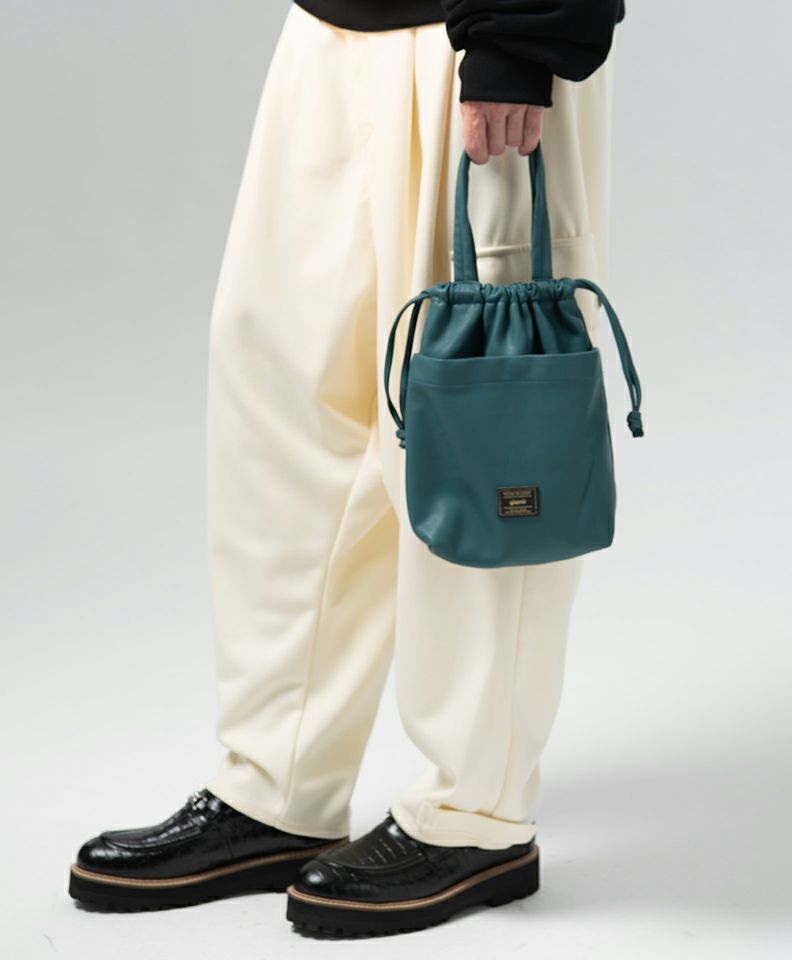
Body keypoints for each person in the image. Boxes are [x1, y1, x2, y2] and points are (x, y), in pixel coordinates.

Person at [68, 0, 625, 938]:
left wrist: (524, 33)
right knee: (283, 389)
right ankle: (279, 786)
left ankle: (475, 811)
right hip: (327, 30)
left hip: (479, 38)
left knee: (480, 415)